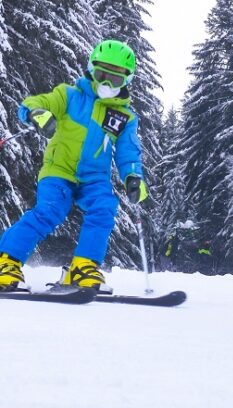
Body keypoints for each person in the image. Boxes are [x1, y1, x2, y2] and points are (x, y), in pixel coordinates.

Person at [0, 39, 147, 291]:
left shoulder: (125, 117)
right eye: (102, 75)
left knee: (104, 208)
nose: (107, 84)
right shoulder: (69, 95)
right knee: (50, 210)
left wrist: (133, 176)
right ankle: (7, 260)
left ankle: (83, 266)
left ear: (127, 80)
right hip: (58, 169)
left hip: (94, 177)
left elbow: (128, 152)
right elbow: (33, 104)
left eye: (116, 79)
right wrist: (38, 114)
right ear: (91, 69)